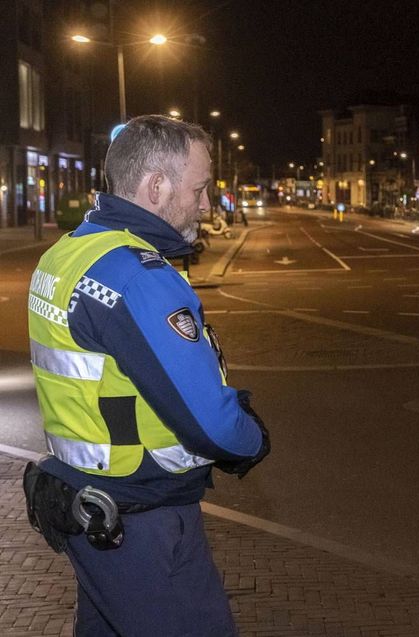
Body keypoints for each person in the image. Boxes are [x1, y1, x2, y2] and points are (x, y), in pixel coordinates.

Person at [24, 114, 270, 636]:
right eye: (200, 189)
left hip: (86, 505)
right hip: (142, 520)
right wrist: (252, 439)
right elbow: (210, 420)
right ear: (156, 186)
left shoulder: (67, 253)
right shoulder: (138, 277)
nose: (207, 205)